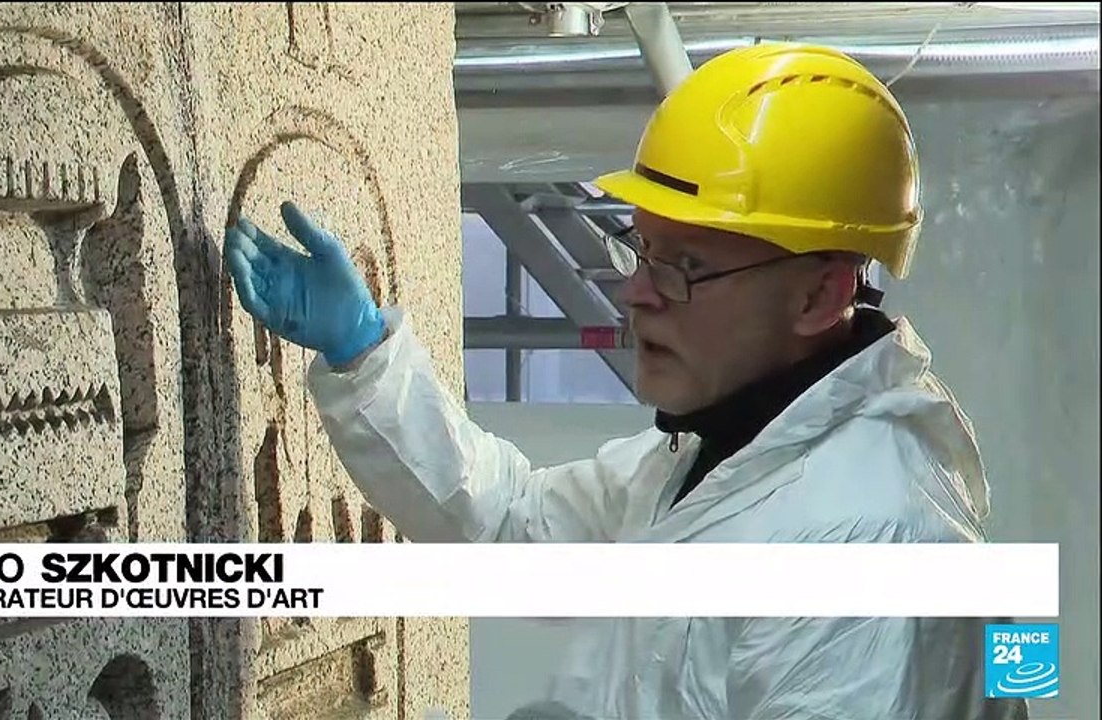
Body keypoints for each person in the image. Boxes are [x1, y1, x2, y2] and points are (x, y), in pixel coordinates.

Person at [224, 43, 1029, 720]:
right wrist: (366, 356)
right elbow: (512, 526)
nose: (639, 292)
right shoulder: (717, 454)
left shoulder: (871, 551)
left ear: (820, 293)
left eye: (687, 267)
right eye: (641, 249)